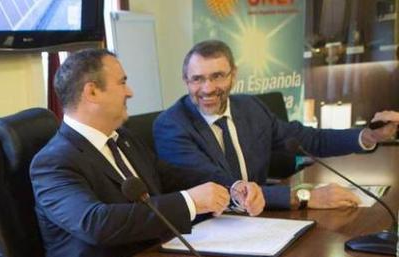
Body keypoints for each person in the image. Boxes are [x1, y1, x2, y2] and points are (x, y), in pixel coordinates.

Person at [31, 48, 230, 257]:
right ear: (91, 91)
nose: (130, 92)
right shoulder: (52, 163)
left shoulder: (124, 138)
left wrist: (231, 187)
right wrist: (190, 202)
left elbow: (169, 176)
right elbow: (96, 223)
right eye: (122, 82)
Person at [154, 39, 399, 213]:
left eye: (218, 76)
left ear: (233, 75)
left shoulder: (250, 108)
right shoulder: (171, 126)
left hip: (262, 221)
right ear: (186, 81)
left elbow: (307, 139)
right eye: (197, 79)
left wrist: (368, 135)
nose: (207, 88)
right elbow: (218, 185)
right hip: (211, 229)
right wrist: (303, 197)